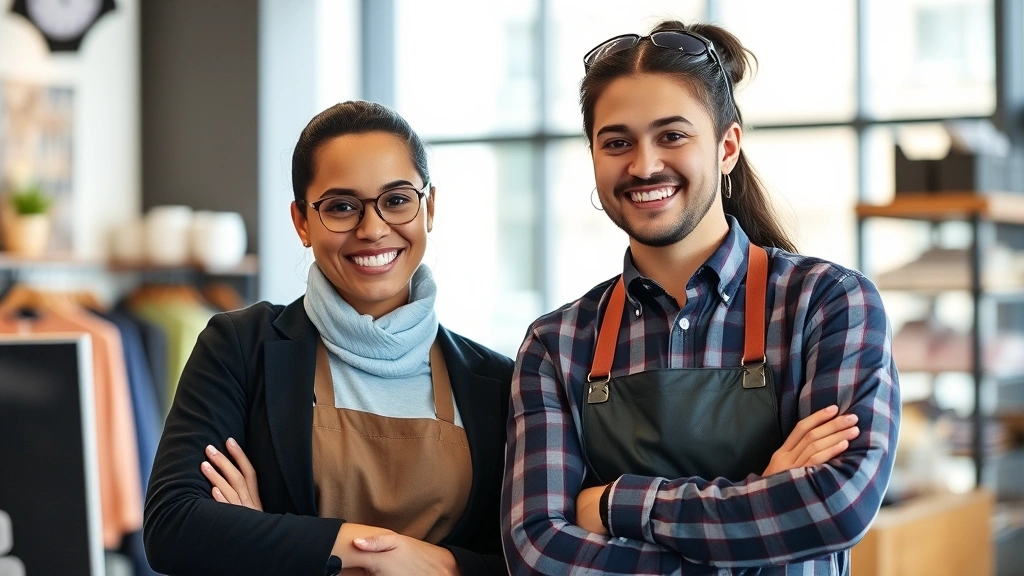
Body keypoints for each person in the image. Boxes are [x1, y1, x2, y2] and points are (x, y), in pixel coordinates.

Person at [500, 20, 900, 575]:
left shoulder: (827, 304)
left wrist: (615, 503)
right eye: (617, 142)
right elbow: (537, 549)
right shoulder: (557, 343)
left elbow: (834, 505)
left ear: (727, 147)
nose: (643, 165)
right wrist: (761, 496)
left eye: (672, 135)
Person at [144, 101, 514, 576]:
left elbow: (525, 558)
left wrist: (266, 537)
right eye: (341, 207)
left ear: (430, 208)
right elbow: (173, 527)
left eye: (397, 199)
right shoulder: (239, 347)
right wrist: (370, 550)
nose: (373, 228)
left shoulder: (497, 381)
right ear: (302, 221)